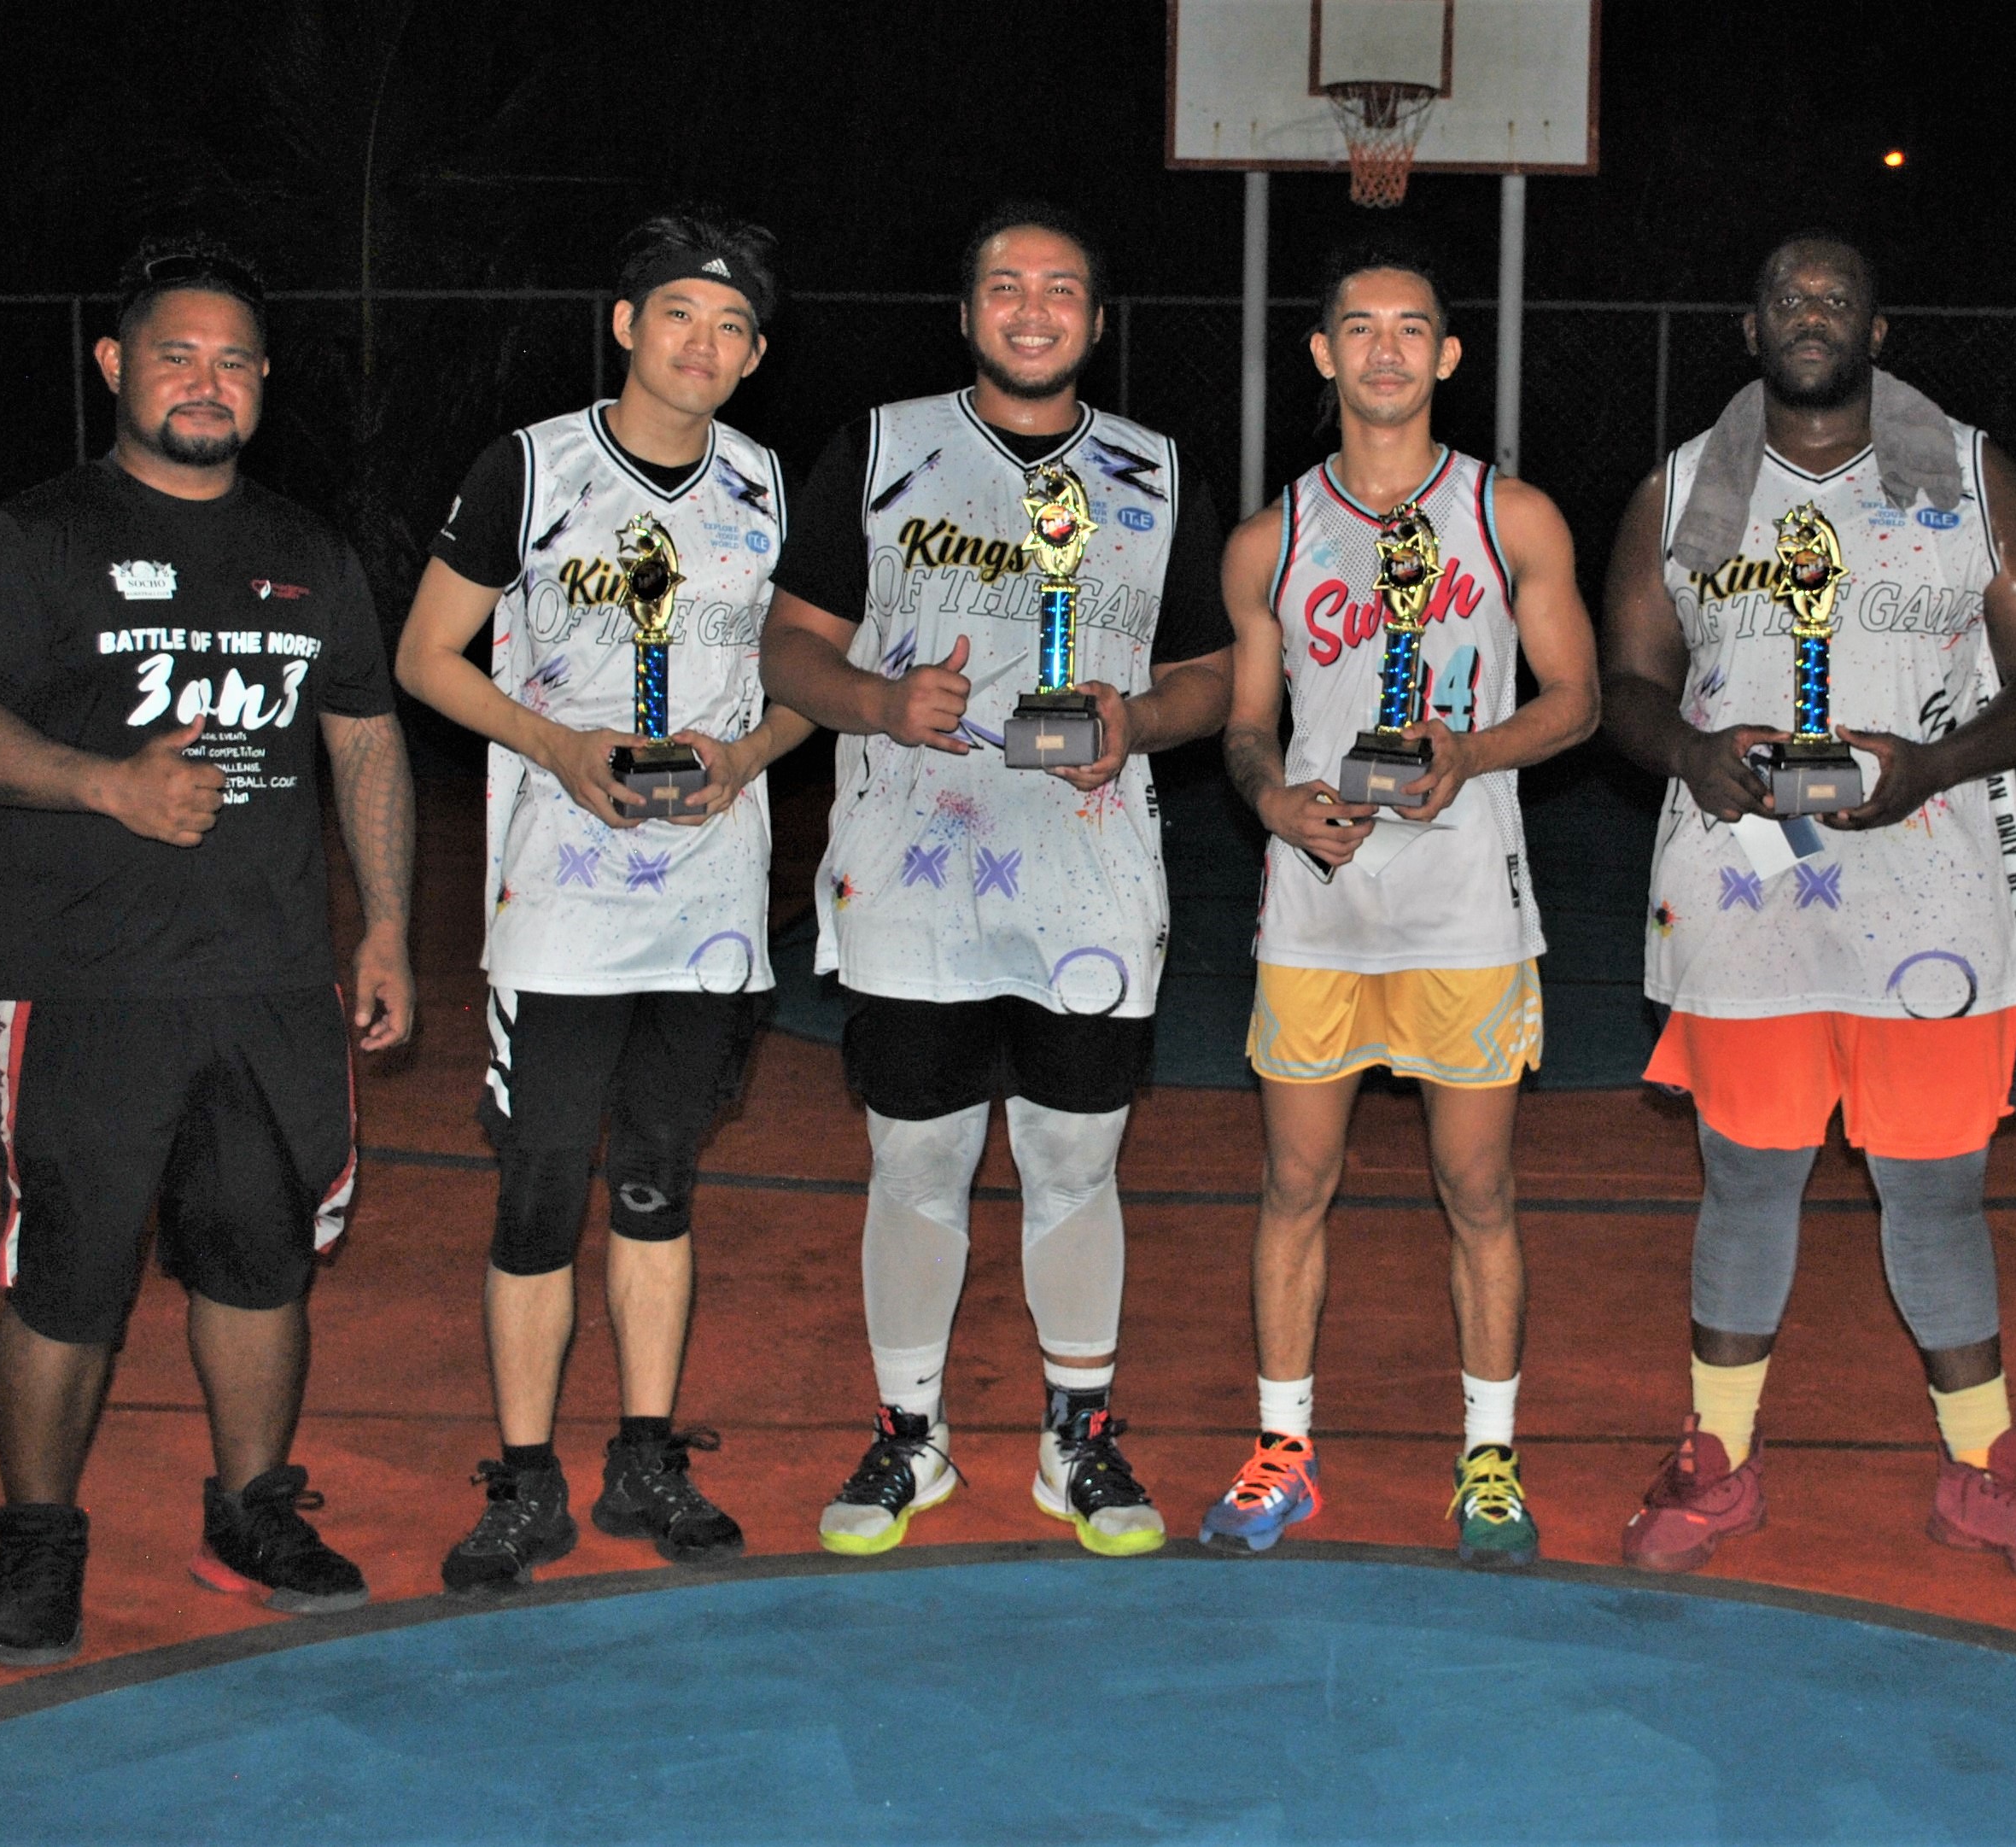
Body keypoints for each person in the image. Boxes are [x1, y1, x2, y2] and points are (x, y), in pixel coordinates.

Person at [0, 236, 416, 1666]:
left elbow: (365, 742)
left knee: (262, 1262)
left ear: (263, 384)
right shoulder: (38, 537)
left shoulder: (308, 553)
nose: (207, 381)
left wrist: (385, 925)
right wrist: (103, 785)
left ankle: (250, 1512)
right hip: (89, 981)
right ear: (115, 365)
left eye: (234, 361)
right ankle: (38, 1534)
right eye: (177, 355)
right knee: (69, 1274)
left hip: (271, 981)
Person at [1598, 232, 2016, 1591]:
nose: (1810, 314)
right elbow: (1627, 684)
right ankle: (1717, 1455)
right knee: (1747, 1179)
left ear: (1878, 332)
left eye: (1837, 299)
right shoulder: (1680, 491)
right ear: (1748, 327)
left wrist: (1935, 763)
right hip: (1743, 890)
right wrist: (1690, 750)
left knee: (1937, 1192)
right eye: (1787, 297)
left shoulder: (1975, 478)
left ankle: (1985, 1469)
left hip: (1930, 894)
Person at [758, 203, 1232, 1558]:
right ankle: (911, 1437)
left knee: (1077, 1159)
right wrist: (876, 700)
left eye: (1062, 288)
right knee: (918, 1157)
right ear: (966, 314)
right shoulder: (881, 449)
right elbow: (788, 648)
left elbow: (1211, 675)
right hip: (916, 876)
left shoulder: (1156, 472)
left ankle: (1075, 1440)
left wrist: (1139, 720)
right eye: (1007, 287)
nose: (1034, 310)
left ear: (1098, 319)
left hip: (1089, 882)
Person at [394, 209, 809, 1596]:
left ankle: (645, 1459)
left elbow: (817, 675)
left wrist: (748, 754)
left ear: (755, 357)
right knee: (537, 1192)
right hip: (561, 905)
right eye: (679, 313)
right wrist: (560, 747)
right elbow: (426, 656)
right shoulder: (530, 467)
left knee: (656, 1184)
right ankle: (524, 1481)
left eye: (733, 326)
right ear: (626, 325)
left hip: (709, 900)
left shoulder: (768, 486)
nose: (705, 342)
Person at [1201, 246, 1597, 1567]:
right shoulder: (1268, 538)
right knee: (1293, 1182)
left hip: (1465, 914)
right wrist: (1269, 799)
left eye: (1410, 329)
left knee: (1477, 1190)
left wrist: (1469, 753)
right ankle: (1282, 1450)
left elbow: (1578, 701)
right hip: (1318, 914)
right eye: (1359, 328)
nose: (1384, 350)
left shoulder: (1512, 516)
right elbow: (1246, 725)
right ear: (1322, 353)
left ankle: (1489, 1458)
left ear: (1448, 355)